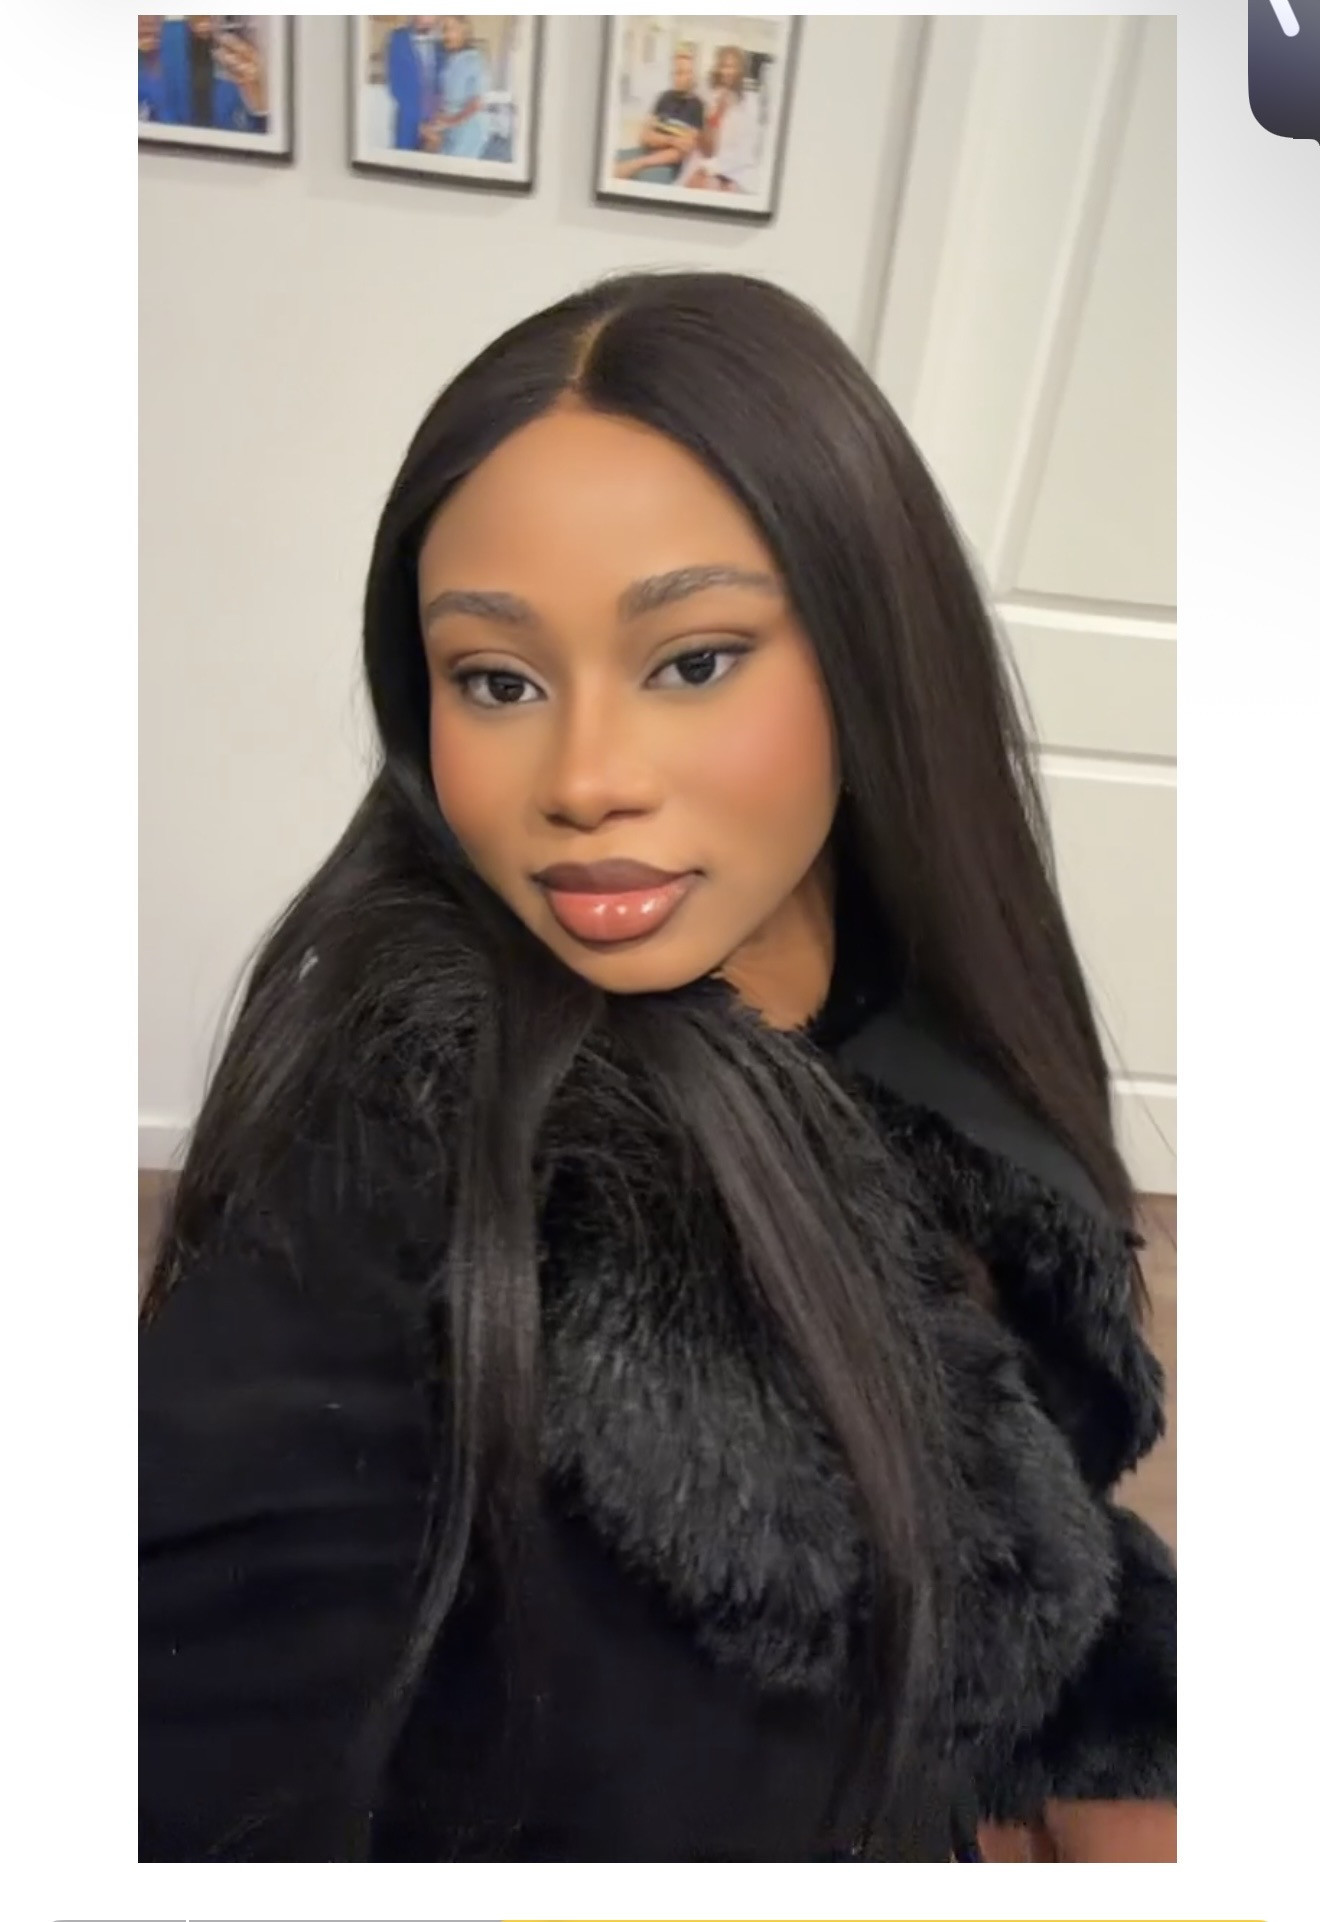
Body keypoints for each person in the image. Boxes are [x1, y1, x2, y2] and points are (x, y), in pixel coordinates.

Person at [139, 272, 1177, 1863]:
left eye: (691, 660)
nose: (585, 779)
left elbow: (1021, 1513)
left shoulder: (930, 1007)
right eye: (498, 680)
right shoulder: (397, 1142)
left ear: (871, 647)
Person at [612, 47, 705, 185]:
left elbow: (682, 151)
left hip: (664, 164)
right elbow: (644, 136)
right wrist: (673, 140)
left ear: (692, 75)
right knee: (608, 163)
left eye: (685, 73)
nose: (680, 78)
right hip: (644, 152)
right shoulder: (664, 98)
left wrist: (638, 163)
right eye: (676, 73)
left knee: (642, 181)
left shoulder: (697, 106)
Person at [683, 45, 763, 194]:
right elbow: (708, 149)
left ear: (741, 70)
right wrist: (718, 113)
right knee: (704, 184)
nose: (727, 72)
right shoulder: (708, 96)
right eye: (724, 66)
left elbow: (746, 150)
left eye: (732, 67)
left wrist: (719, 169)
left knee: (730, 189)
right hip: (708, 162)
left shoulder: (751, 102)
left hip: (739, 168)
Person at [428, 17, 491, 159]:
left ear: (464, 32)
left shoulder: (475, 60)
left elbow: (477, 103)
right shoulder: (449, 59)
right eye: (443, 30)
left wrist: (450, 121)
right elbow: (445, 93)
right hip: (449, 128)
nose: (445, 35)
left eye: (451, 30)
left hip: (469, 130)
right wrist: (437, 117)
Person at [386, 16, 445, 153]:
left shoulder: (440, 42)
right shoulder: (399, 38)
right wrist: (417, 118)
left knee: (429, 161)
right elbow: (395, 83)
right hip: (408, 117)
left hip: (433, 118)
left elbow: (439, 82)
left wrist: (434, 116)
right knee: (403, 158)